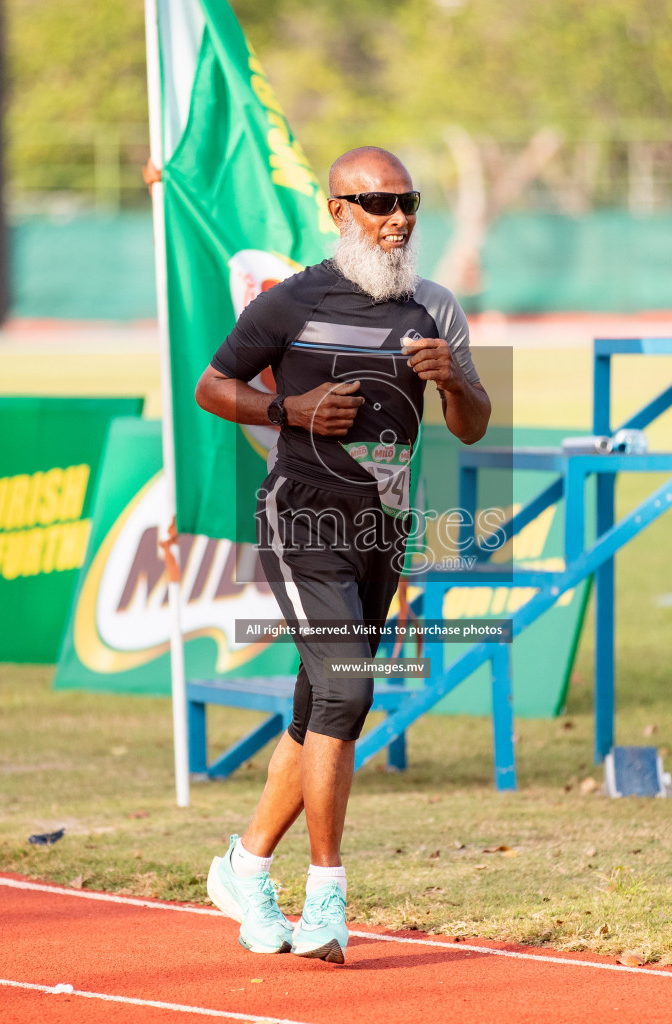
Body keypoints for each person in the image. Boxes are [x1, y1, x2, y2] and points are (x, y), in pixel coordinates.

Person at [194, 147, 491, 963]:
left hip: (381, 535)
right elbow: (214, 386)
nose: (398, 218)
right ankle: (327, 894)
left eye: (409, 203)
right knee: (348, 694)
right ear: (339, 212)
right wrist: (291, 409)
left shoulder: (436, 307)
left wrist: (455, 382)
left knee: (318, 706)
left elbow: (473, 423)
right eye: (378, 202)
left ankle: (245, 864)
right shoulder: (291, 302)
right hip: (303, 520)